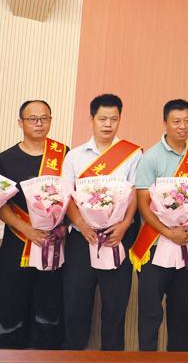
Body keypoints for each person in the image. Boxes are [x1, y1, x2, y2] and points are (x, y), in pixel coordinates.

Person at [60, 94, 142, 350]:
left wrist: (125, 224)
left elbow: (134, 194)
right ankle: (73, 354)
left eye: (113, 119)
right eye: (102, 119)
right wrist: (82, 225)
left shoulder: (132, 154)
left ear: (120, 120)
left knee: (115, 306)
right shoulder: (74, 156)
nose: (108, 124)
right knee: (75, 303)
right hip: (81, 238)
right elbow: (67, 196)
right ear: (91, 119)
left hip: (117, 236)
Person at [131, 99, 188, 352]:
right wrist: (168, 232)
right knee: (150, 313)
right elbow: (143, 204)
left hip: (186, 245)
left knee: (182, 313)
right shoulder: (150, 158)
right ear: (165, 123)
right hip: (154, 245)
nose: (183, 126)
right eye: (176, 121)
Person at [0, 100, 66, 349]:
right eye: (32, 119)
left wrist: (63, 225)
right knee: (12, 300)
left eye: (44, 118)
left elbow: (71, 198)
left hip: (52, 242)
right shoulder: (5, 159)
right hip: (17, 242)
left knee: (49, 302)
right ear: (20, 123)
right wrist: (27, 229)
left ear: (50, 120)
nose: (39, 123)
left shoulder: (63, 155)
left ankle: (46, 352)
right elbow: (1, 205)